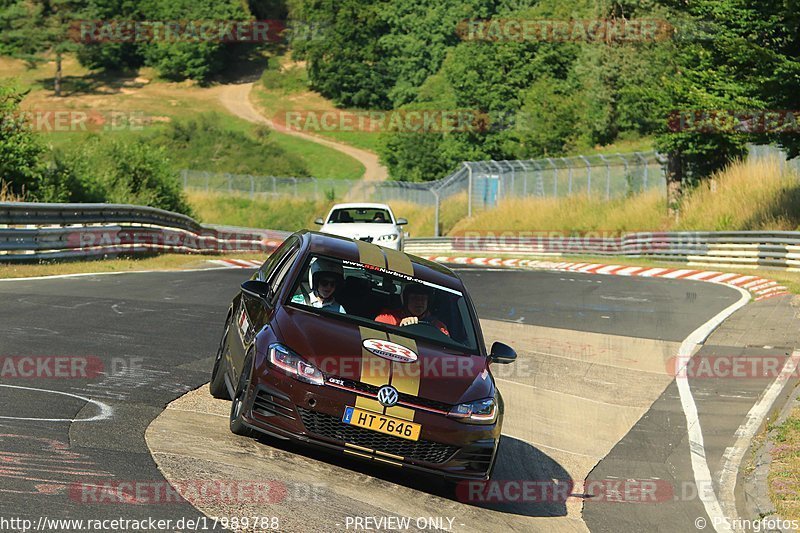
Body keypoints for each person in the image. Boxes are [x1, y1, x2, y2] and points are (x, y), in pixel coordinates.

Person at [374, 283, 449, 336]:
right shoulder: (387, 319)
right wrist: (400, 329)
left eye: (423, 299)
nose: (419, 302)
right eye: (414, 298)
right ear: (406, 300)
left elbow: (445, 349)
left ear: (428, 302)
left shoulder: (439, 327)